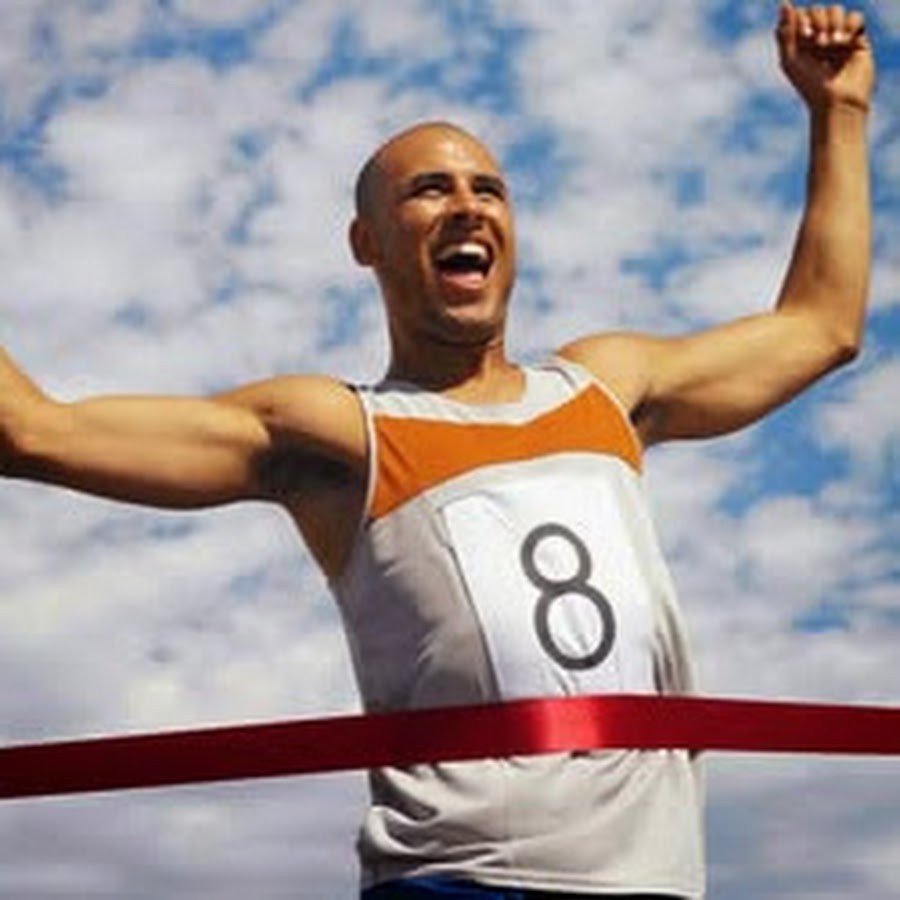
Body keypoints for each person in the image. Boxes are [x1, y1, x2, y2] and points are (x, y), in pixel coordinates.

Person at [0, 3, 874, 898]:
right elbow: (30, 431)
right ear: (367, 242)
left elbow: (821, 327)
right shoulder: (340, 433)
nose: (467, 206)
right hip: (454, 881)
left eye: (488, 189)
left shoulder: (606, 389)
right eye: (429, 189)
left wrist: (838, 112)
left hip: (650, 884)